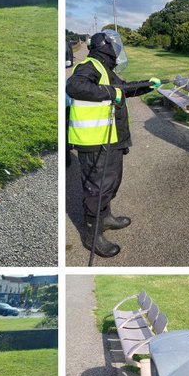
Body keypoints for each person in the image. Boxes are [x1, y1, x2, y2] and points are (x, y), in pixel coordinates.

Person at [66, 31, 160, 258]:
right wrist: (110, 93)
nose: (118, 51)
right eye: (115, 46)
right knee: (96, 190)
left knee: (110, 184)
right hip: (95, 142)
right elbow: (74, 86)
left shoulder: (106, 70)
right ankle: (92, 234)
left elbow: (123, 90)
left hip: (110, 140)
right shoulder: (89, 66)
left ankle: (105, 217)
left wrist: (148, 86)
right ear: (105, 46)